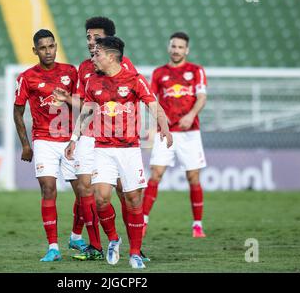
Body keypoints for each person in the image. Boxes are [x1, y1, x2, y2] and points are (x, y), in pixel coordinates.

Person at [65, 36, 172, 269]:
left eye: (97, 54)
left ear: (111, 56)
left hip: (129, 150)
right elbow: (86, 112)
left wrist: (165, 128)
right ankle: (114, 238)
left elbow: (153, 105)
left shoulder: (134, 80)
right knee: (101, 198)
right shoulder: (92, 82)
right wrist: (74, 138)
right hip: (102, 148)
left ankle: (135, 253)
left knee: (133, 199)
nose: (92, 58)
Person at [54, 16, 148, 263]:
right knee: (88, 189)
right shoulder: (84, 68)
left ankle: (135, 247)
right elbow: (85, 105)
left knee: (124, 192)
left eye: (96, 37)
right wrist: (66, 100)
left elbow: (132, 97)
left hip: (118, 139)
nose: (90, 42)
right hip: (89, 136)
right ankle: (96, 245)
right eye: (88, 37)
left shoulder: (125, 66)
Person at [13, 29, 81, 262]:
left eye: (51, 46)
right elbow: (18, 112)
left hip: (70, 139)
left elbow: (82, 104)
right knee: (48, 189)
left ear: (56, 46)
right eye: (43, 48)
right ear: (35, 51)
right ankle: (53, 247)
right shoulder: (26, 77)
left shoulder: (71, 72)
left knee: (83, 192)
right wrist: (26, 145)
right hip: (43, 140)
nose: (48, 51)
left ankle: (76, 235)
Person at [142, 32, 208, 239]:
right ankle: (142, 221)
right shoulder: (159, 73)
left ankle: (197, 225)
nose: (176, 50)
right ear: (168, 48)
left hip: (190, 132)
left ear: (186, 50)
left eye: (180, 47)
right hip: (166, 132)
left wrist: (191, 115)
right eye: (173, 46)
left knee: (193, 177)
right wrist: (160, 119)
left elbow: (202, 97)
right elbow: (151, 100)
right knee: (156, 174)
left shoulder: (196, 71)